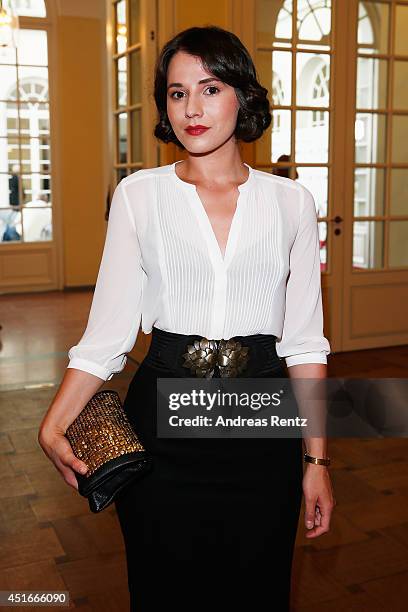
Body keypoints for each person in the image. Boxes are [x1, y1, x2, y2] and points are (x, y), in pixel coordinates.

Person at [38, 25, 335, 611]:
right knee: (161, 592)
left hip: (262, 431)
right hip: (162, 433)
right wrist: (54, 423)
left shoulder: (292, 203)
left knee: (259, 591)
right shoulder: (139, 196)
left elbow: (303, 343)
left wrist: (317, 461)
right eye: (177, 93)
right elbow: (107, 336)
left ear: (243, 97)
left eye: (210, 87)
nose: (192, 108)